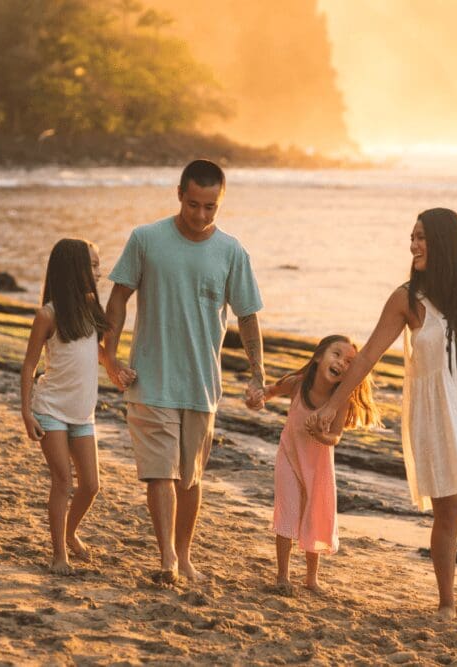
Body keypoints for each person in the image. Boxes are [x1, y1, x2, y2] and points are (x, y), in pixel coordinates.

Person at [306, 208, 457, 619]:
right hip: (437, 418)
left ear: (444, 242)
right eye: (412, 237)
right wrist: (332, 405)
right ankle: (446, 602)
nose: (413, 245)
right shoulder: (406, 299)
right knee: (448, 514)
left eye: (421, 237)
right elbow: (369, 354)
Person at [103, 159, 266, 584]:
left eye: (210, 207)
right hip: (149, 379)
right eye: (193, 204)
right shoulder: (146, 239)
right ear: (179, 194)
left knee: (190, 479)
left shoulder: (232, 251)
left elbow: (248, 316)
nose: (200, 215)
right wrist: (110, 355)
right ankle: (166, 561)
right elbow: (119, 297)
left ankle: (184, 553)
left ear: (220, 202)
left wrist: (258, 374)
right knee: (161, 473)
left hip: (201, 384)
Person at [20, 238, 136, 575]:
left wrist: (114, 369)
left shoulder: (89, 309)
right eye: (94, 266)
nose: (100, 273)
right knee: (62, 482)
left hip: (83, 414)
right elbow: (29, 365)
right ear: (74, 270)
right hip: (51, 410)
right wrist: (27, 412)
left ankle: (71, 534)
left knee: (91, 485)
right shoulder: (47, 315)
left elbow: (95, 351)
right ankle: (59, 554)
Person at [264, 335, 381, 593]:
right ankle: (282, 575)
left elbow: (335, 436)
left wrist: (320, 435)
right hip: (289, 458)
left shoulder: (340, 401)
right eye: (336, 354)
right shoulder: (298, 384)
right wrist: (259, 396)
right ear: (318, 357)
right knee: (286, 511)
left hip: (317, 468)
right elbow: (271, 390)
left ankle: (311, 578)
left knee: (313, 517)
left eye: (350, 361)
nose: (341, 362)